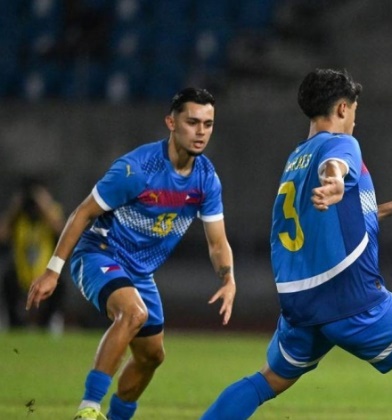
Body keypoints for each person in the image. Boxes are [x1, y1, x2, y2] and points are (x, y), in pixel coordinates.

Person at [202, 68, 392, 420]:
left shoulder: (296, 158)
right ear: (343, 108)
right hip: (350, 298)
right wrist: (334, 181)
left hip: (301, 302)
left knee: (267, 380)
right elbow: (334, 169)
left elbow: (332, 217)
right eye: (354, 111)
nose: (354, 121)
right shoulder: (341, 144)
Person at [25, 87, 237, 420]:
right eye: (192, 122)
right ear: (171, 122)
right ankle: (88, 409)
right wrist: (53, 270)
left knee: (152, 356)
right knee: (133, 314)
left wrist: (228, 278)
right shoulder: (137, 169)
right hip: (99, 253)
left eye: (208, 124)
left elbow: (217, 242)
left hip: (139, 272)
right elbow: (82, 213)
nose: (201, 132)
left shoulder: (206, 179)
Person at [0, 177, 66, 332]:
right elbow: (2, 235)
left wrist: (44, 203)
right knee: (7, 278)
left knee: (61, 283)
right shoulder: (18, 218)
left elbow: (61, 230)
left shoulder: (51, 211)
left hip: (45, 270)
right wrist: (15, 207)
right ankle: (13, 324)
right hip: (21, 272)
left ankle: (51, 321)